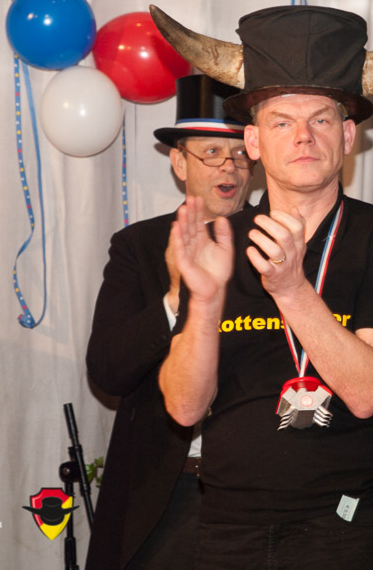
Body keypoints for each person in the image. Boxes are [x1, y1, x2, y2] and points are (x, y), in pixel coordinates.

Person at [149, 3, 373, 568]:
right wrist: (206, 302)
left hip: (346, 530)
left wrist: (291, 289)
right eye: (281, 122)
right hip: (227, 530)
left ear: (347, 136)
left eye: (320, 120)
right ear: (252, 141)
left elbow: (368, 392)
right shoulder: (218, 243)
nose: (303, 137)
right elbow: (185, 406)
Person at [85, 75, 253, 569]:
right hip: (168, 487)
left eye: (240, 153)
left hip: (258, 488)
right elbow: (108, 370)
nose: (229, 167)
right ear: (179, 163)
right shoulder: (138, 247)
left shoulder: (278, 244)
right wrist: (176, 297)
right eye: (211, 153)